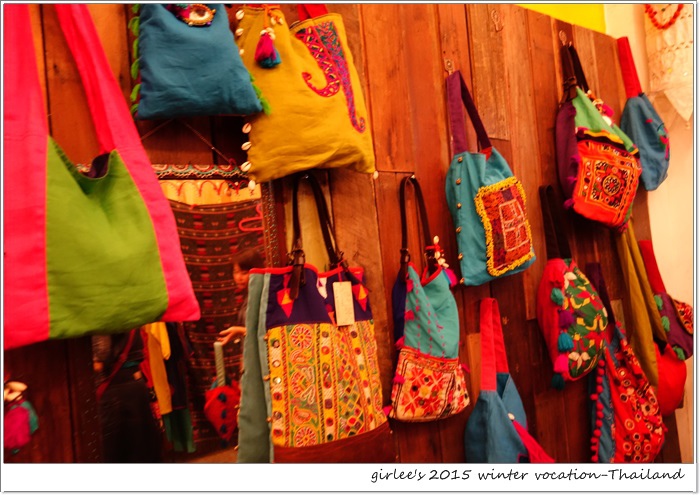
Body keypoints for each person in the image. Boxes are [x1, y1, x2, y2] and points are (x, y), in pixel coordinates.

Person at [92, 329, 163, 462]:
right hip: (135, 383)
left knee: (118, 451)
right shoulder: (131, 317)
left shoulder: (102, 318)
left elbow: (100, 360)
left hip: (116, 389)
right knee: (141, 447)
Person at [218, 248, 265, 345]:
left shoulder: (263, 295)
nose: (238, 278)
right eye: (235, 272)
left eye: (244, 273)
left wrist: (239, 330)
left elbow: (265, 332)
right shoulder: (249, 295)